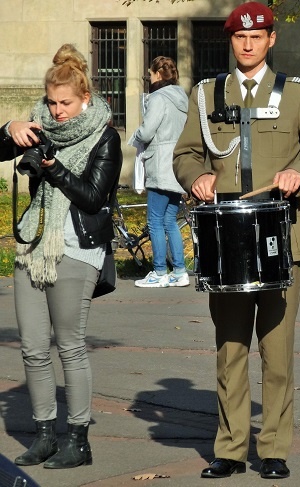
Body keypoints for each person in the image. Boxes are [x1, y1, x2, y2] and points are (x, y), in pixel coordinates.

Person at [173, 3, 300, 480]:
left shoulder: (296, 93)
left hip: (280, 237)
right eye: (239, 38)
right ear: (232, 42)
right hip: (226, 240)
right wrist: (197, 176)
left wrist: (299, 172)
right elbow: (185, 153)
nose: (247, 45)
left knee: (277, 349)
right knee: (230, 350)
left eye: (257, 37)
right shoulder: (208, 94)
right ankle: (229, 449)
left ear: (271, 40)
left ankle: (273, 448)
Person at [0, 44, 122, 469]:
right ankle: (45, 435)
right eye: (51, 102)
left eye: (65, 103)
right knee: (33, 348)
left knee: (69, 345)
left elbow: (92, 197)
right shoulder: (41, 123)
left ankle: (79, 440)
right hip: (34, 247)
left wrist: (53, 167)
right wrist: (11, 126)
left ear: (84, 97)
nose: (58, 111)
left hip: (77, 248)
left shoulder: (105, 135)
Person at [130, 56, 190, 288]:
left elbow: (146, 132)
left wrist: (134, 136)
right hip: (176, 164)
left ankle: (158, 271)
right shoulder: (181, 98)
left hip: (159, 163)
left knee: (155, 220)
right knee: (169, 221)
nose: (148, 76)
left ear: (157, 74)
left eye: (150, 73)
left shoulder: (157, 98)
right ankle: (179, 271)